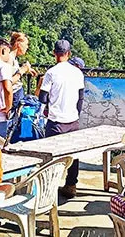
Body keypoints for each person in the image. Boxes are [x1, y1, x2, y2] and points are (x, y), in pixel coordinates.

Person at [37, 39, 84, 198]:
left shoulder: (51, 72)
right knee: (74, 155)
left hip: (55, 121)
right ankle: (71, 185)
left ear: (54, 53)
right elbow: (81, 98)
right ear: (68, 53)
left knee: (50, 156)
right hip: (72, 121)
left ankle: (48, 188)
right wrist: (76, 114)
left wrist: (46, 109)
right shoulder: (77, 73)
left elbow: (43, 98)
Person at [8, 32, 35, 108]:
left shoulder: (13, 58)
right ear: (18, 44)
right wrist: (22, 70)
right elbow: (7, 81)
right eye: (26, 44)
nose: (27, 47)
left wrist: (26, 69)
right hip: (14, 95)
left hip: (16, 95)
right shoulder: (9, 58)